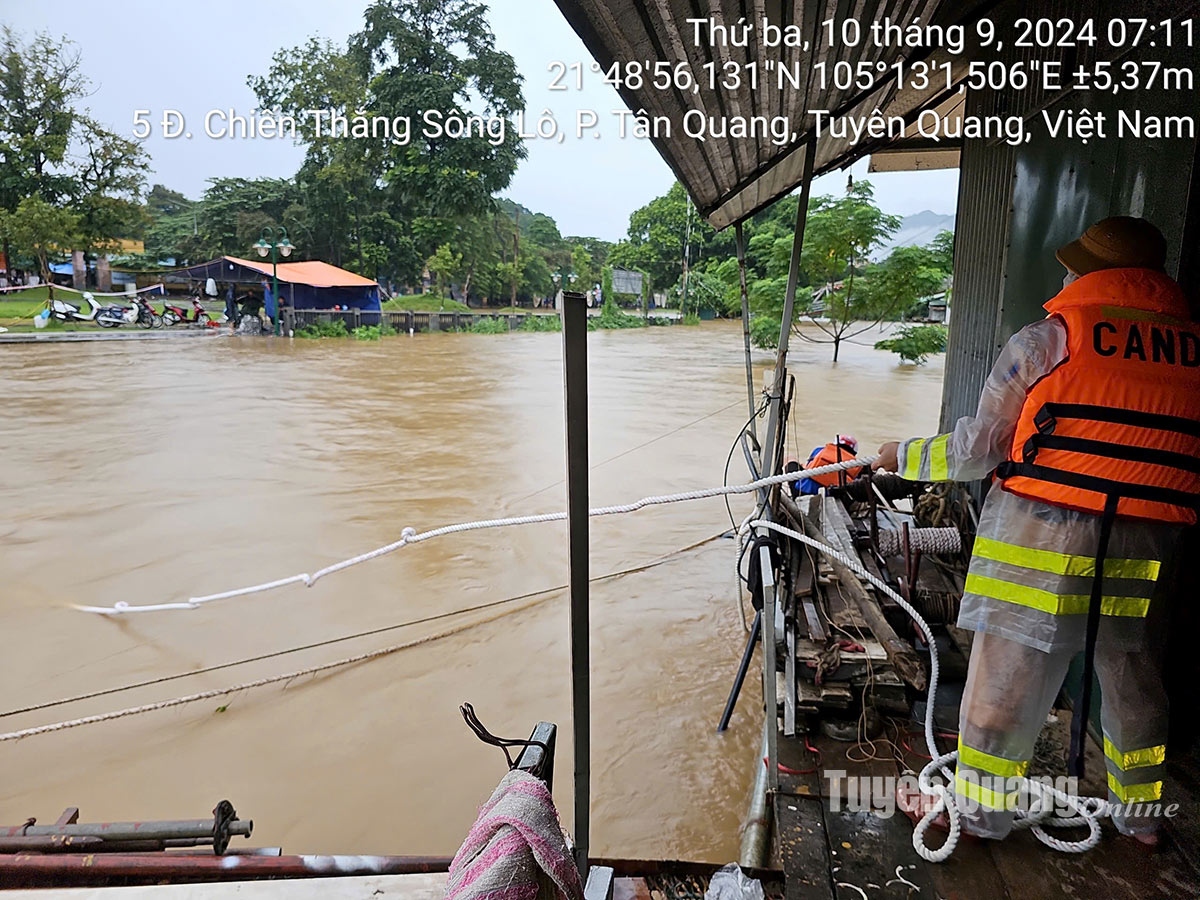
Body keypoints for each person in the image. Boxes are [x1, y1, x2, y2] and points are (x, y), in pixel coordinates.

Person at [873, 217, 1200, 845]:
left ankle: (975, 815)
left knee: (1005, 680)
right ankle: (1143, 820)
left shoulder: (1050, 341)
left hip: (1041, 538)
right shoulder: (1190, 350)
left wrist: (902, 456)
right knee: (1133, 681)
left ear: (1088, 274)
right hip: (1148, 546)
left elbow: (984, 446)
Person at [790, 434, 866, 496]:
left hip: (802, 492)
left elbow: (808, 467)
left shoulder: (819, 450)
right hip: (830, 496)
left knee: (791, 462)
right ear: (854, 452)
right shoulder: (856, 465)